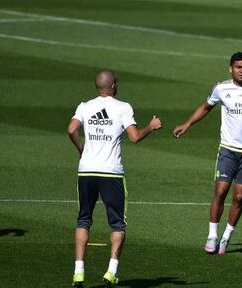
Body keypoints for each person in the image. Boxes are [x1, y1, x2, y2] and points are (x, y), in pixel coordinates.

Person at [173, 52, 242, 255]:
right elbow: (206, 107)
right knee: (220, 192)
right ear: (231, 68)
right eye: (238, 67)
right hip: (228, 149)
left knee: (239, 197)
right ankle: (212, 235)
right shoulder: (221, 88)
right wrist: (187, 124)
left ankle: (226, 237)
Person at [68, 70, 162, 287]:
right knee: (118, 224)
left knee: (83, 220)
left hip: (87, 171)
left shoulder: (85, 106)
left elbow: (71, 129)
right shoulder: (123, 107)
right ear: (113, 86)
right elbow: (135, 137)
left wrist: (82, 149)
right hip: (111, 172)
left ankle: (78, 272)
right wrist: (151, 126)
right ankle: (111, 272)